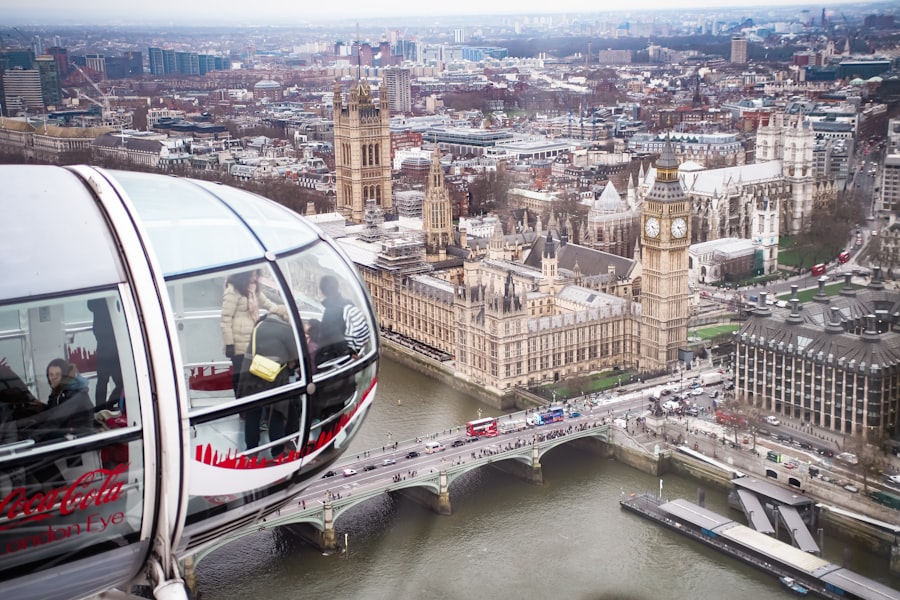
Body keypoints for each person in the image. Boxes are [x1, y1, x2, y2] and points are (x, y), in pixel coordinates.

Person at [237, 313, 299, 456]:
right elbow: (296, 355)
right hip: (275, 377)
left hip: (253, 374)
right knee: (276, 413)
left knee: (253, 414)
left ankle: (251, 451)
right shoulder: (286, 330)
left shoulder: (259, 326)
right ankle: (277, 451)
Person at [221, 269, 289, 396]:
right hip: (238, 341)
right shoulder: (232, 291)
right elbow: (225, 319)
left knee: (252, 374)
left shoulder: (254, 290)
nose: (254, 277)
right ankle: (241, 403)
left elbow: (268, 305)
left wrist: (285, 312)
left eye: (256, 274)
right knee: (240, 375)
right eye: (251, 275)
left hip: (253, 339)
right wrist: (229, 344)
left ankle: (250, 404)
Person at [18, 359, 93, 442]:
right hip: (66, 434)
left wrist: (30, 440)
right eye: (51, 375)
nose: (53, 378)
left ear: (64, 375)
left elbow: (55, 420)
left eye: (57, 374)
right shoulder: (60, 391)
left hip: (80, 442)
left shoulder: (75, 394)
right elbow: (55, 412)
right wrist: (43, 408)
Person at [316, 274, 370, 366]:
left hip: (337, 360)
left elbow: (336, 339)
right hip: (353, 351)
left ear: (322, 291)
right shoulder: (348, 302)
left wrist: (350, 353)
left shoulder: (330, 312)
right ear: (337, 286)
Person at [87, 298, 124, 411]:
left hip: (102, 345)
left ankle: (99, 409)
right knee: (121, 383)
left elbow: (90, 306)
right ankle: (107, 406)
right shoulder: (111, 301)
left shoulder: (97, 300)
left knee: (102, 381)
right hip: (114, 347)